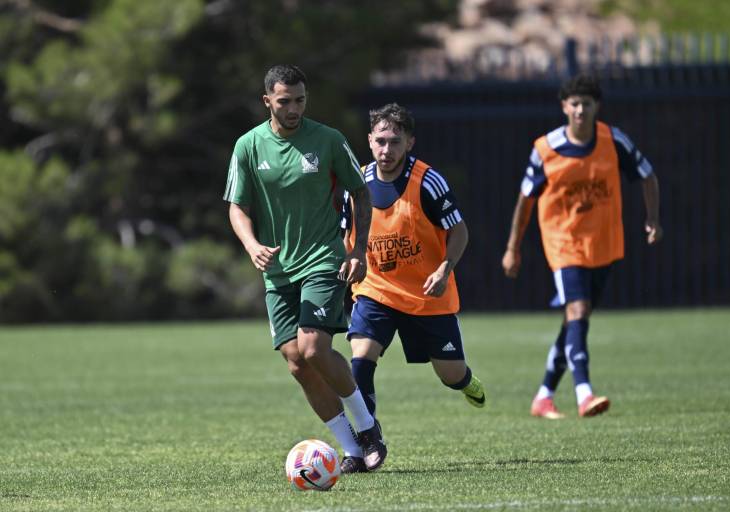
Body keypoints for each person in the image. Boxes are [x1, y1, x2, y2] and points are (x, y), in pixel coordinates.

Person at [223, 64, 386, 473]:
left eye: (300, 100)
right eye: (284, 101)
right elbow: (237, 207)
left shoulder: (328, 140)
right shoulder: (248, 146)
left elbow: (360, 193)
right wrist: (251, 244)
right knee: (297, 361)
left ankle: (367, 427)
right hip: (278, 271)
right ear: (267, 102)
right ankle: (351, 450)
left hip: (322, 259)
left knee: (315, 347)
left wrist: (358, 250)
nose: (293, 108)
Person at [501, 73, 662, 419]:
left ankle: (543, 395)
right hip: (563, 244)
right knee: (577, 312)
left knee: (577, 318)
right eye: (574, 104)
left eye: (586, 104)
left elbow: (647, 175)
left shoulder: (612, 140)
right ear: (564, 107)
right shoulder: (546, 149)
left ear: (596, 107)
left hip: (603, 245)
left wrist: (653, 219)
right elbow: (525, 201)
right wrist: (513, 247)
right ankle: (584, 393)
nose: (580, 110)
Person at [340, 103, 485, 472]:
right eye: (380, 142)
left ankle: (467, 381)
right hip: (377, 290)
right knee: (361, 357)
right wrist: (351, 261)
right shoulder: (356, 183)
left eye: (394, 142)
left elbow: (460, 231)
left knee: (450, 374)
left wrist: (444, 268)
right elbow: (347, 235)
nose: (386, 150)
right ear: (369, 141)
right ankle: (365, 440)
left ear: (409, 143)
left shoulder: (429, 182)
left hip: (426, 295)